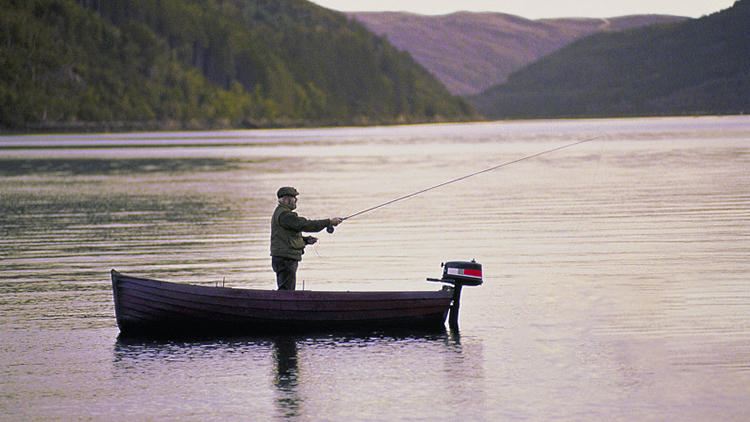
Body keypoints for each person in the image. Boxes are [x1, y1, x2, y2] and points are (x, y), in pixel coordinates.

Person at [270, 186, 342, 290]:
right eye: (294, 198)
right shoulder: (285, 215)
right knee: (286, 292)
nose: (296, 200)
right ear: (286, 199)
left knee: (286, 290)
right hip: (285, 259)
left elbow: (287, 236)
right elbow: (305, 225)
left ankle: (282, 305)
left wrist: (305, 240)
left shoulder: (281, 213)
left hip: (283, 257)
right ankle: (283, 305)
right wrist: (329, 222)